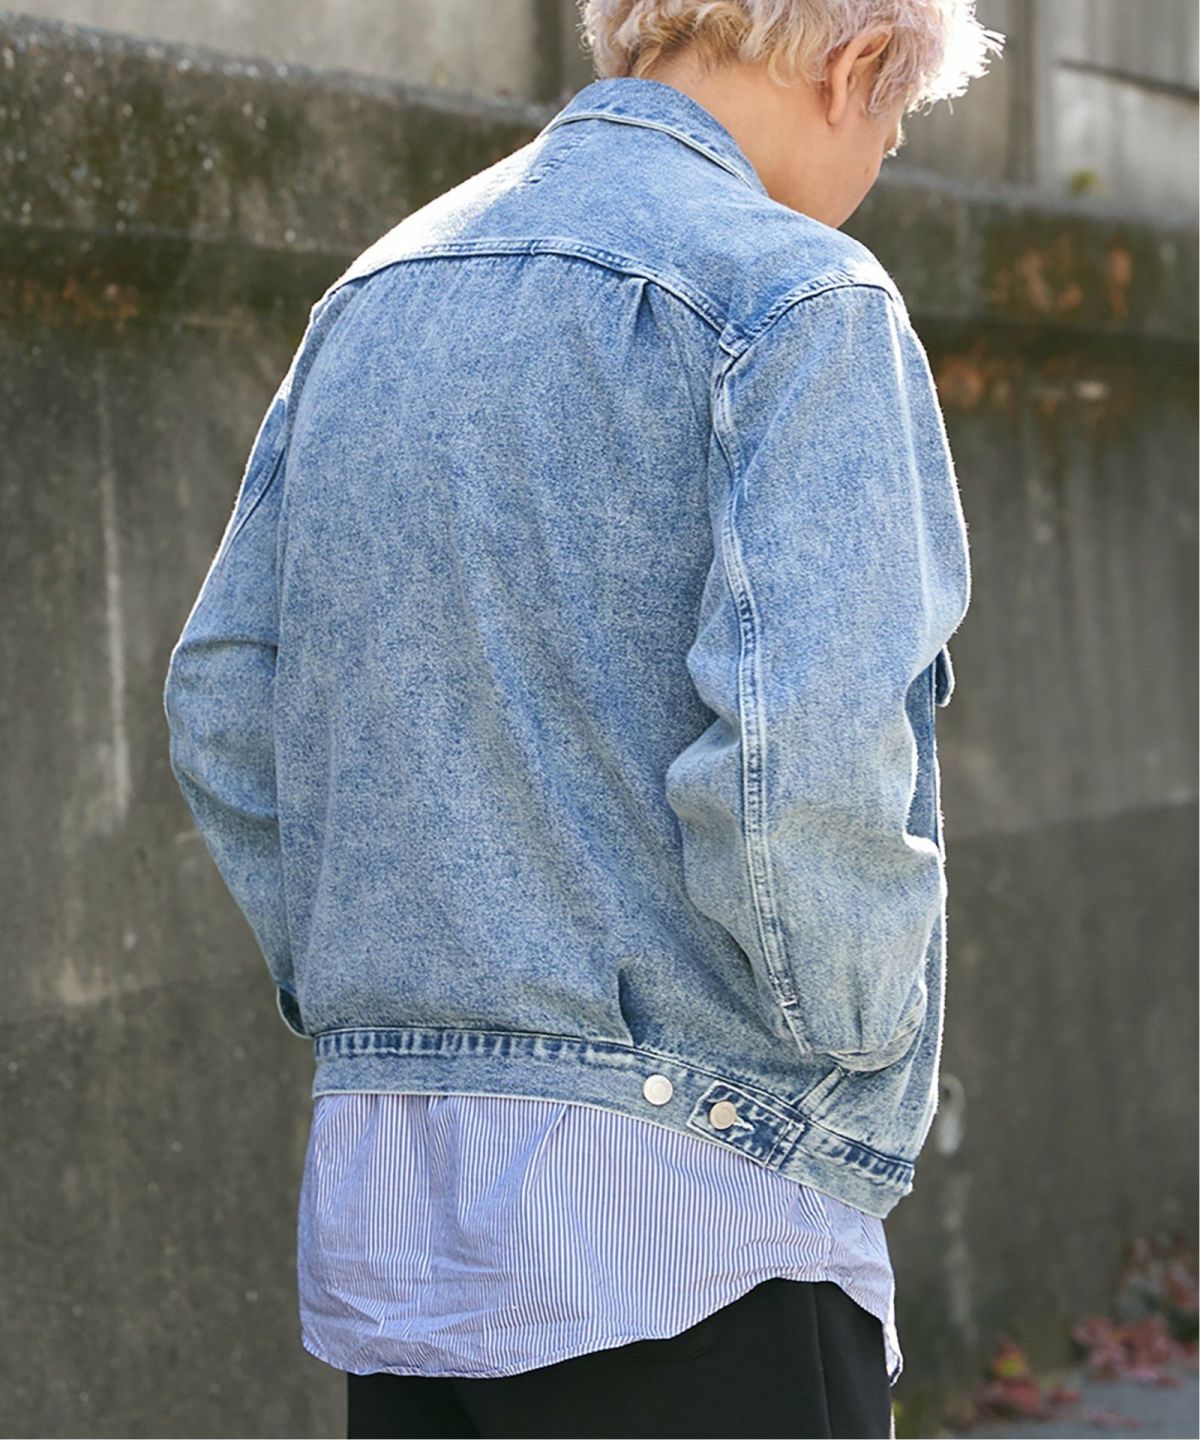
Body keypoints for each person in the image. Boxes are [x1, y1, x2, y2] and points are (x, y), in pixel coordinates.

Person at [162, 2, 1003, 1436]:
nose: (884, 159)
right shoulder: (800, 299)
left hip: (399, 1214)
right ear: (855, 64)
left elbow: (229, 699)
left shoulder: (378, 287)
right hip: (700, 1216)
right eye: (899, 121)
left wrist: (383, 994)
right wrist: (859, 1052)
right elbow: (797, 763)